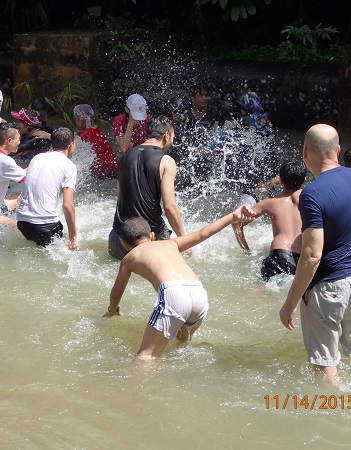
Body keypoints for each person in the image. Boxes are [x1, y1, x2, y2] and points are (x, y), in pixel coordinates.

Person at [278, 124, 351, 386]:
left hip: (327, 289)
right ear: (338, 150)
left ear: (305, 151)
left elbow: (312, 255)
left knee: (326, 367)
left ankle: (335, 408)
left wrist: (290, 303)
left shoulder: (312, 193)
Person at [103, 209, 244, 358]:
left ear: (125, 245)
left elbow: (116, 293)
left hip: (173, 294)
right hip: (198, 293)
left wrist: (113, 311)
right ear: (152, 236)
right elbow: (203, 233)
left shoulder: (129, 259)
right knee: (180, 347)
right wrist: (232, 216)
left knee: (146, 356)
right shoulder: (171, 243)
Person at [108, 116, 185, 260]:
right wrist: (183, 238)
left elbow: (119, 195)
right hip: (148, 242)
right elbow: (169, 206)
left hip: (118, 241)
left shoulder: (125, 157)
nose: (173, 141)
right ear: (166, 135)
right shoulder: (166, 161)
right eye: (173, 136)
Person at [233, 160, 306, 281]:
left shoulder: (270, 203)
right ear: (304, 180)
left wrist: (247, 251)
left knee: (261, 287)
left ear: (280, 181)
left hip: (280, 254)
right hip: (303, 256)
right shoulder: (310, 198)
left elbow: (236, 223)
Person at [16, 127, 77, 249]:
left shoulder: (37, 158)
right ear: (71, 145)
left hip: (22, 222)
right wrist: (73, 238)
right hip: (45, 225)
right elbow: (67, 205)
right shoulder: (69, 166)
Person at [73, 103, 119, 178]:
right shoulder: (96, 128)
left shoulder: (83, 135)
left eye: (76, 120)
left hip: (102, 171)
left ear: (81, 120)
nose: (76, 122)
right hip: (114, 166)